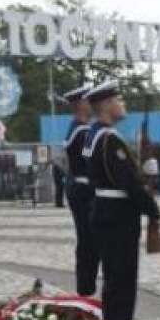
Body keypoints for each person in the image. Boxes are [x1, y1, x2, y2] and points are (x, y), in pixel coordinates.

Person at [83, 80, 160, 320]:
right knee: (121, 280)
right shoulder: (109, 139)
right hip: (118, 215)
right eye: (119, 99)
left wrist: (142, 170)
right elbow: (127, 183)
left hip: (106, 211)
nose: (123, 104)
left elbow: (115, 175)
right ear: (105, 105)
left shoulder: (94, 136)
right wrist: (153, 209)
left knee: (114, 279)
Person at [62, 85, 100, 296]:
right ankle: (86, 291)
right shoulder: (84, 131)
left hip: (78, 188)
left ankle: (86, 289)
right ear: (81, 104)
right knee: (89, 244)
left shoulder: (76, 127)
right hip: (85, 191)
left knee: (87, 242)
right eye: (89, 101)